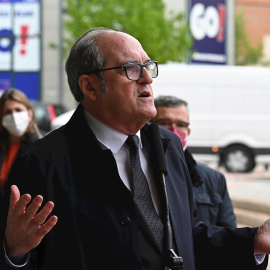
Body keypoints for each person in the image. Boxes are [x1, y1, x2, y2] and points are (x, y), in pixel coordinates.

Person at [1, 27, 270, 270]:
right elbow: (27, 257)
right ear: (90, 86)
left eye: (147, 66)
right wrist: (13, 252)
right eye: (130, 68)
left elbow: (188, 238)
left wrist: (253, 241)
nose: (147, 79)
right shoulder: (41, 163)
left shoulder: (168, 145)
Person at [151, 95, 236, 228]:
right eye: (164, 123)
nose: (174, 131)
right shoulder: (138, 171)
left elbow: (228, 234)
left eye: (181, 125)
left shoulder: (214, 179)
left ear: (188, 131)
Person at [0, 88, 43, 197]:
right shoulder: (3, 146)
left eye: (18, 110)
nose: (14, 116)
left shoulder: (39, 147)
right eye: (8, 112)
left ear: (30, 114)